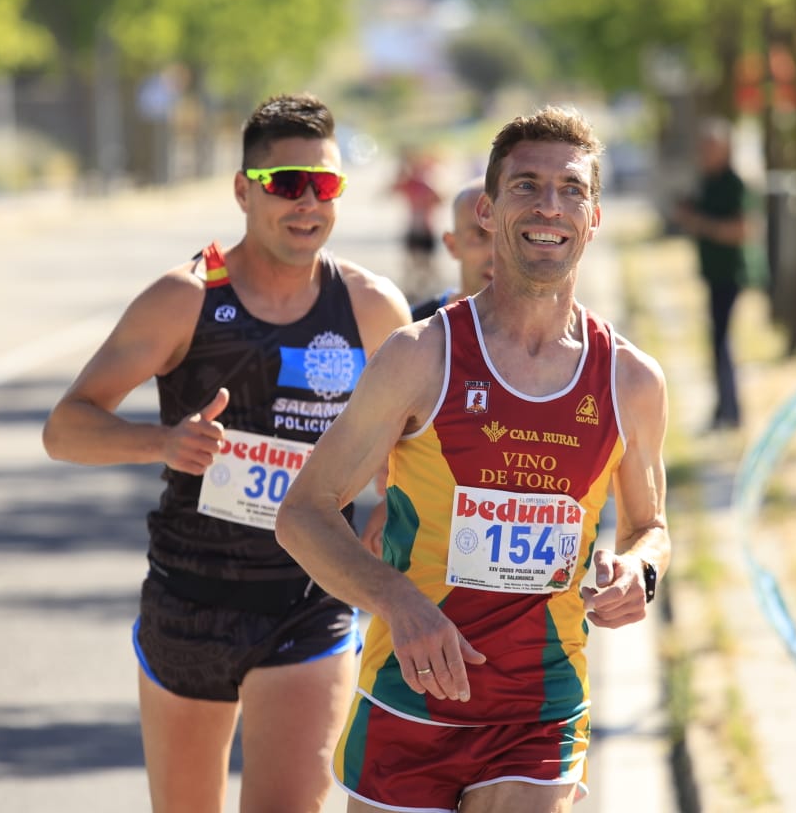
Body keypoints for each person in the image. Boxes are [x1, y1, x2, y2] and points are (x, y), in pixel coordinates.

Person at [276, 105, 671, 813]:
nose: (550, 206)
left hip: (541, 704)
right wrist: (398, 601)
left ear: (595, 217)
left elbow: (650, 526)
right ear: (489, 211)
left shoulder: (631, 379)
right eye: (526, 186)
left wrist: (639, 570)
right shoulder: (421, 356)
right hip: (411, 696)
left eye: (571, 189)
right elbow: (303, 514)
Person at [42, 92, 412, 813]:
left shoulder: (370, 308)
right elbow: (66, 428)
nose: (307, 203)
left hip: (310, 598)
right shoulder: (184, 298)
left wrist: (394, 498)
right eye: (285, 184)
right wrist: (163, 441)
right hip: (191, 598)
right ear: (243, 190)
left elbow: (414, 438)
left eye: (325, 184)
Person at [672, 117, 749, 432]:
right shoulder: (706, 181)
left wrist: (700, 222)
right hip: (712, 273)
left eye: (711, 148)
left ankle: (731, 412)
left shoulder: (734, 184)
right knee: (716, 342)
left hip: (731, 273)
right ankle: (723, 409)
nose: (705, 154)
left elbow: (741, 230)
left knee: (723, 342)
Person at [408, 177, 494, 321]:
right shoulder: (412, 329)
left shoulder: (543, 335)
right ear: (452, 245)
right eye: (479, 235)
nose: (495, 252)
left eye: (507, 237)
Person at [390, 149, 443, 299]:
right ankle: (417, 291)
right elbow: (391, 189)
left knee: (425, 264)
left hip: (424, 228)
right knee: (414, 264)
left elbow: (440, 198)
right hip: (416, 228)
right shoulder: (410, 183)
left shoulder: (422, 183)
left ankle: (427, 290)